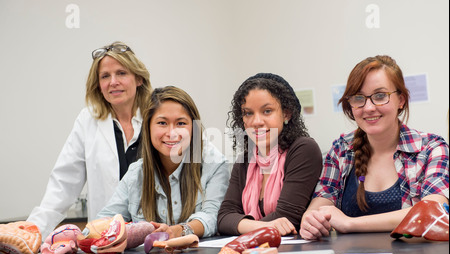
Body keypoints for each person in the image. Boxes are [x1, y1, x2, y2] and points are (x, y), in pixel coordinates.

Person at [300, 55, 449, 240]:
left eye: (380, 96)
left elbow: (432, 212)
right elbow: (320, 204)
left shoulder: (431, 148)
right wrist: (310, 219)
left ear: (401, 100)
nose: (369, 107)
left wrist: (350, 223)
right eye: (358, 98)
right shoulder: (342, 149)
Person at [27, 41, 152, 240]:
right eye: (105, 76)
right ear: (98, 85)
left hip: (156, 237)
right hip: (105, 240)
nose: (113, 82)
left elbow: (198, 157)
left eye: (121, 73)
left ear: (138, 78)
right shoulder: (88, 121)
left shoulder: (158, 116)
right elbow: (63, 184)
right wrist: (30, 233)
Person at [96, 86, 229, 238]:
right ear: (148, 127)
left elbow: (212, 217)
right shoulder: (136, 173)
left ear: (194, 128)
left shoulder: (215, 165)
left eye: (181, 123)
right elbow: (106, 219)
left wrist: (178, 231)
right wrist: (80, 236)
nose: (171, 133)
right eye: (162, 123)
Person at [217, 73, 323, 236]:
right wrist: (266, 226)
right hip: (257, 251)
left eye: (267, 111)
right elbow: (224, 218)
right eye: (248, 113)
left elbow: (288, 218)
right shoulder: (245, 160)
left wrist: (242, 225)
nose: (256, 121)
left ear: (286, 114)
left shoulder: (303, 149)